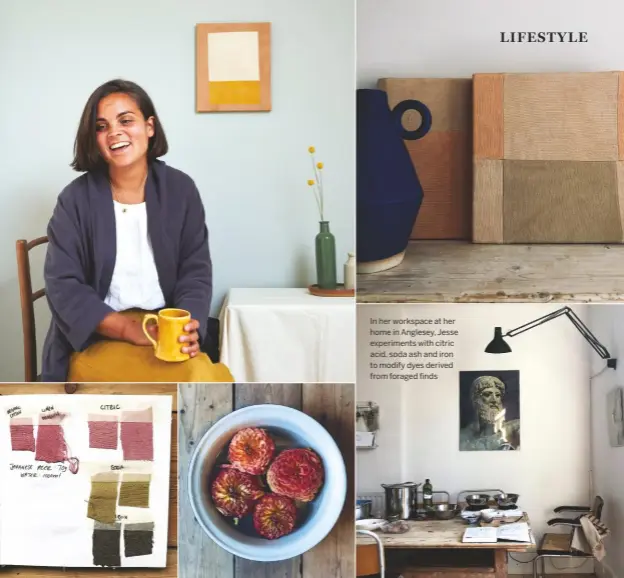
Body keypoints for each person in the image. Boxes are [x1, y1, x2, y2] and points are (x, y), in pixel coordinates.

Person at [42, 79, 234, 383]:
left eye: (126, 120)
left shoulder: (181, 190)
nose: (114, 132)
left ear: (150, 126)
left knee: (204, 378)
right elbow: (63, 285)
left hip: (164, 331)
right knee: (191, 383)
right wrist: (128, 329)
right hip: (100, 337)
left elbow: (195, 271)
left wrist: (187, 329)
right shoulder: (74, 200)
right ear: (94, 139)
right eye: (101, 126)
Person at [459, 375, 520, 451]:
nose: (494, 400)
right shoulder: (463, 436)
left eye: (498, 395)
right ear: (476, 400)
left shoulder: (515, 427)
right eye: (487, 394)